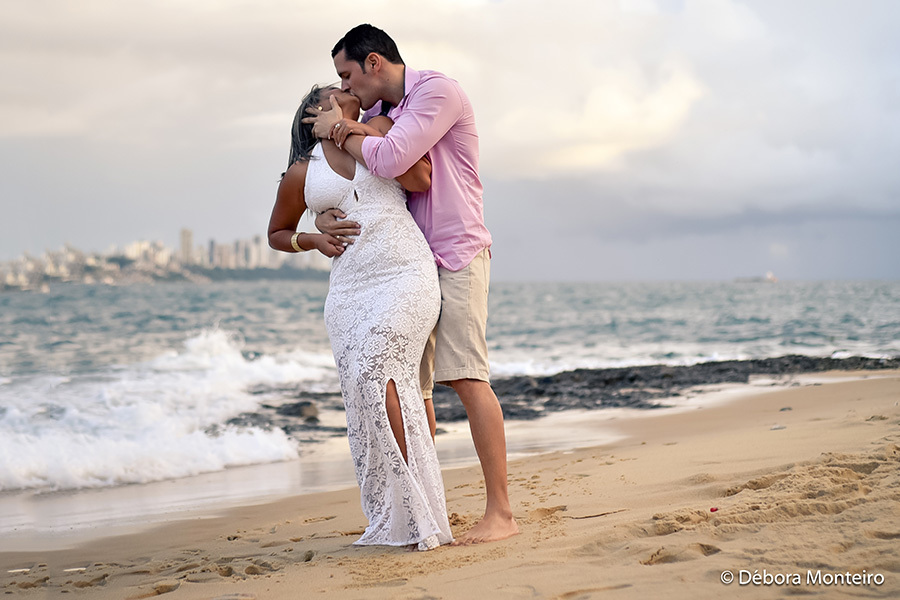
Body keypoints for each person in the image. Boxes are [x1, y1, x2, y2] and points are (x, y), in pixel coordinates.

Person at [303, 24, 518, 545]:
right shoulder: (376, 118)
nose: (346, 89)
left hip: (457, 251)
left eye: (347, 75)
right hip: (408, 267)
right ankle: (423, 506)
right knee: (413, 389)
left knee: (466, 377)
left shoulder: (437, 93)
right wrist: (320, 224)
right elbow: (360, 184)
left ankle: (501, 513)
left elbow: (397, 162)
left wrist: (339, 128)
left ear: (375, 63)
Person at [267, 84, 453, 551]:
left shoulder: (381, 132)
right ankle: (401, 514)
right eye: (339, 89)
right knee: (366, 397)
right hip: (349, 292)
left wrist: (358, 132)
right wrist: (312, 238)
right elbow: (277, 232)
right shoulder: (301, 174)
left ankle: (417, 509)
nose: (351, 90)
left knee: (378, 373)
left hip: (406, 272)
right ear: (315, 112)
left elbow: (420, 179)